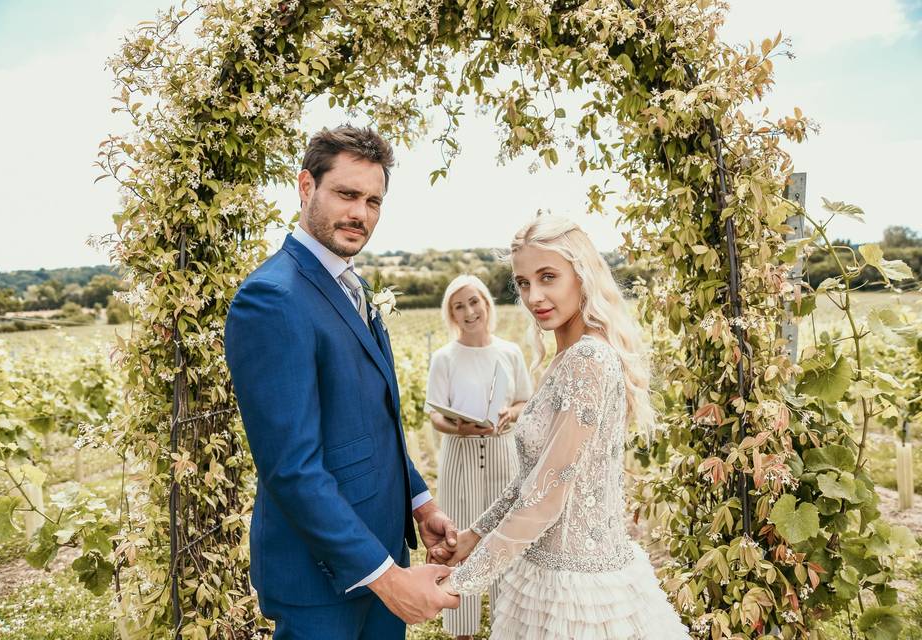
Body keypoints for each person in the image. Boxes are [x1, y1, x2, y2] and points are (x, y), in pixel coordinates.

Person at [225, 125, 460, 640]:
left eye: (373, 201)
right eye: (347, 194)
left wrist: (419, 503)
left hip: (381, 552)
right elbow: (291, 468)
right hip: (322, 581)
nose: (361, 214)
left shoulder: (354, 285)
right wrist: (387, 578)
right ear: (306, 187)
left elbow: (373, 419)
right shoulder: (271, 298)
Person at [434, 216, 689, 639]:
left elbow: (545, 496)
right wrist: (473, 536)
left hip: (579, 595)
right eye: (524, 282)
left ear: (582, 274)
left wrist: (460, 582)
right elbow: (531, 479)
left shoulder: (589, 360)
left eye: (548, 277)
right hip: (546, 578)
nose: (535, 296)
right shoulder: (566, 358)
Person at [424, 274, 533, 639]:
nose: (469, 311)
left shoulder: (510, 352)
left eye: (475, 302)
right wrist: (459, 427)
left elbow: (523, 400)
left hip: (504, 452)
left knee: (503, 536)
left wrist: (510, 414)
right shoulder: (444, 358)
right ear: (451, 314)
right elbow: (436, 414)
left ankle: (507, 625)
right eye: (459, 306)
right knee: (458, 539)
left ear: (487, 303)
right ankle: (462, 630)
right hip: (460, 455)